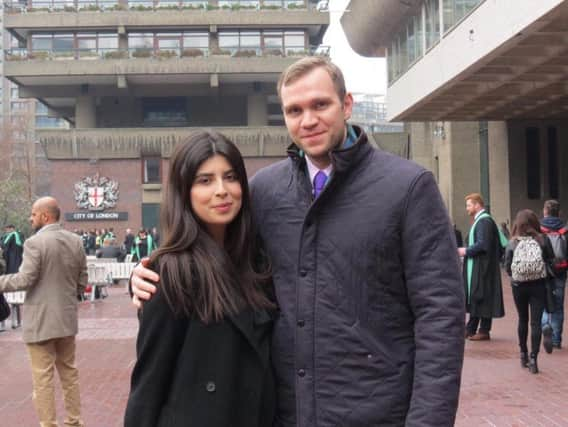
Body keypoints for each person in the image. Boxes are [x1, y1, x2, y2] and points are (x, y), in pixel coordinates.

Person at [131, 57, 465, 426]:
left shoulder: (408, 188)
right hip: (288, 414)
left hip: (380, 412)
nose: (308, 120)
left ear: (347, 105)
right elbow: (218, 255)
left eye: (320, 105)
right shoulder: (265, 192)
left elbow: (440, 316)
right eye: (294, 110)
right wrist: (149, 272)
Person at [124, 131, 275, 427]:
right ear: (184, 191)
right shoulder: (170, 274)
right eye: (205, 180)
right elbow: (149, 383)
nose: (222, 190)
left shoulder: (257, 262)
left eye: (230, 177)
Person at [0, 197, 87, 427]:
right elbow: (82, 280)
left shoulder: (34, 243)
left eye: (33, 214)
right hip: (67, 319)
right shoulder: (76, 241)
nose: (30, 218)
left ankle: (49, 424)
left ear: (45, 216)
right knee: (69, 374)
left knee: (43, 379)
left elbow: (25, 279)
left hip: (40, 322)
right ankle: (75, 422)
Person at [505, 209, 554, 373]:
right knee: (536, 322)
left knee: (522, 320)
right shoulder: (542, 240)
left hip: (519, 286)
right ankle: (534, 359)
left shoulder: (512, 243)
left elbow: (507, 267)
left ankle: (523, 354)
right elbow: (550, 260)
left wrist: (516, 275)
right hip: (538, 285)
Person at [458, 193, 505, 340]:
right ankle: (471, 328)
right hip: (481, 265)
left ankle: (483, 330)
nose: (467, 209)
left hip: (483, 267)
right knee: (478, 296)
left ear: (477, 204)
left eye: (469, 205)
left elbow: (483, 244)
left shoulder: (484, 222)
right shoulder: (482, 220)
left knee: (482, 296)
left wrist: (465, 250)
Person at [540, 199, 567, 349]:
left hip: (543, 271)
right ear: (559, 212)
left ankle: (545, 325)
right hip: (560, 271)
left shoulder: (538, 228)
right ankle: (556, 340)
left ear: (545, 211)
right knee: (558, 306)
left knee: (543, 304)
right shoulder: (565, 229)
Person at [1, 224, 24, 328]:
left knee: (6, 299)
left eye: (8, 229)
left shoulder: (12, 236)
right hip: (16, 270)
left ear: (11, 228)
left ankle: (3, 324)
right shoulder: (19, 236)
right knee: (15, 299)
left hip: (8, 272)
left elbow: (4, 252)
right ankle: (16, 322)